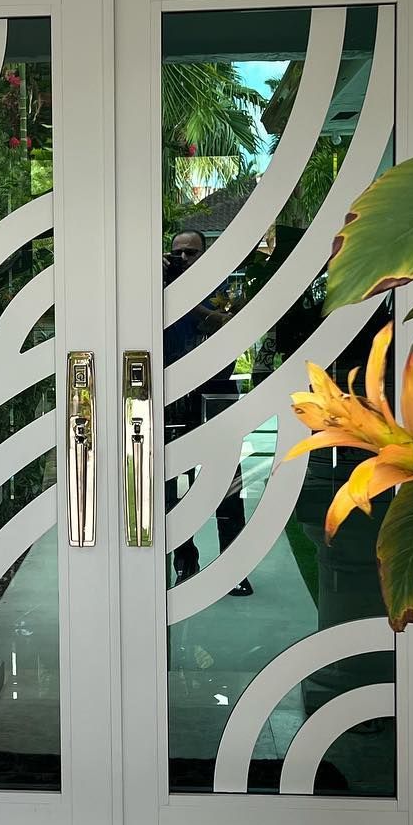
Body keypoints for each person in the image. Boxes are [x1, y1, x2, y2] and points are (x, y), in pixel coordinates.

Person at [162, 230, 252, 595]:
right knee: (170, 485)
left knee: (227, 482)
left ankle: (234, 568)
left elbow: (229, 325)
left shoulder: (223, 290)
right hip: (173, 396)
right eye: (178, 254)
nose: (185, 259)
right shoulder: (161, 294)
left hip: (217, 393)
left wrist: (190, 299)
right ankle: (185, 561)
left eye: (192, 253)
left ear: (206, 254)